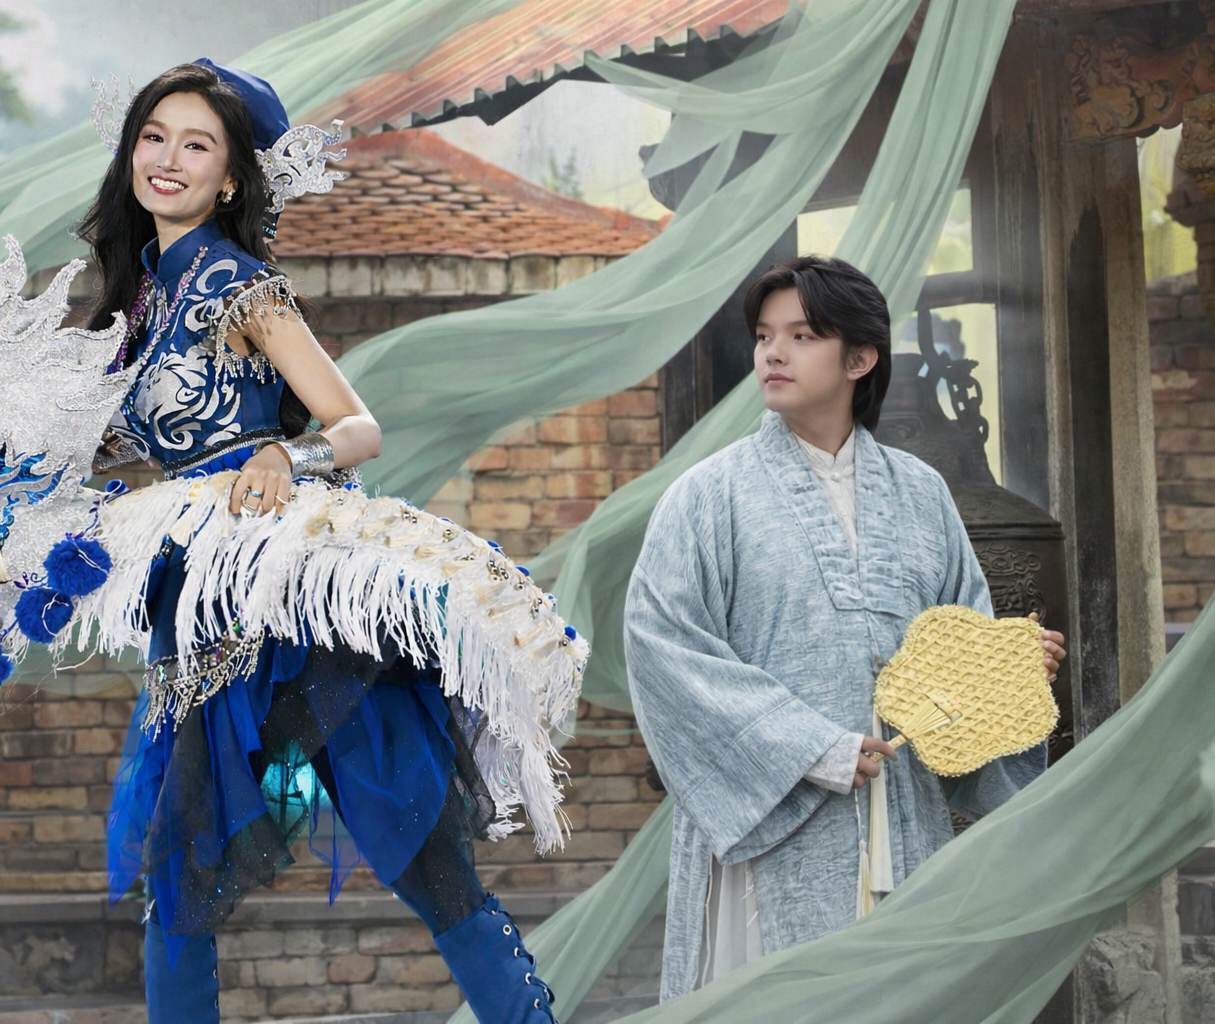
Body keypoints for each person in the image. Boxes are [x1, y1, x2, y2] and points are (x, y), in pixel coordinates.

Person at [77, 62, 564, 1023]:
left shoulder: (238, 285)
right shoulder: (137, 302)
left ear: (230, 180)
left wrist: (283, 454)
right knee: (178, 879)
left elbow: (357, 428)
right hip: (199, 606)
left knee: (420, 859)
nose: (167, 158)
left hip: (292, 608)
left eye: (196, 144)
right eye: (153, 137)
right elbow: (112, 448)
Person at [623, 255, 1067, 1000]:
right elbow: (663, 650)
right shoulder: (706, 496)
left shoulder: (923, 495)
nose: (773, 353)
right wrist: (814, 749)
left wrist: (1007, 675)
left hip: (905, 818)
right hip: (771, 832)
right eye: (765, 336)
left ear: (860, 359)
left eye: (801, 336)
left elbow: (958, 651)